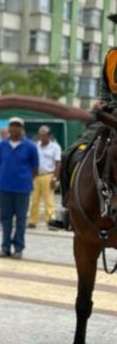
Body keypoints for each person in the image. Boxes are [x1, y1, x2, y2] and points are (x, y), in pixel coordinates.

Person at [51, 47, 117, 230]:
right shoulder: (112, 55)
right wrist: (103, 102)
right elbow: (105, 87)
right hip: (112, 114)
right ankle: (67, 209)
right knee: (68, 155)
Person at [0, 117, 38, 259]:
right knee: (5, 219)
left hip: (22, 189)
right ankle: (5, 247)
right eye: (12, 126)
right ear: (8, 128)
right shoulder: (2, 145)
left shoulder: (31, 146)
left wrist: (24, 180)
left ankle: (18, 248)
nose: (14, 129)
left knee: (21, 220)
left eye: (17, 126)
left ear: (22, 128)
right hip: (4, 187)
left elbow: (35, 168)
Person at [28, 125, 61, 228]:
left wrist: (55, 178)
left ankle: (50, 220)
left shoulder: (55, 147)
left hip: (48, 175)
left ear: (49, 136)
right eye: (41, 135)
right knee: (34, 200)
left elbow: (58, 163)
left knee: (49, 200)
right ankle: (33, 221)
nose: (42, 138)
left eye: (45, 135)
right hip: (36, 176)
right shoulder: (35, 146)